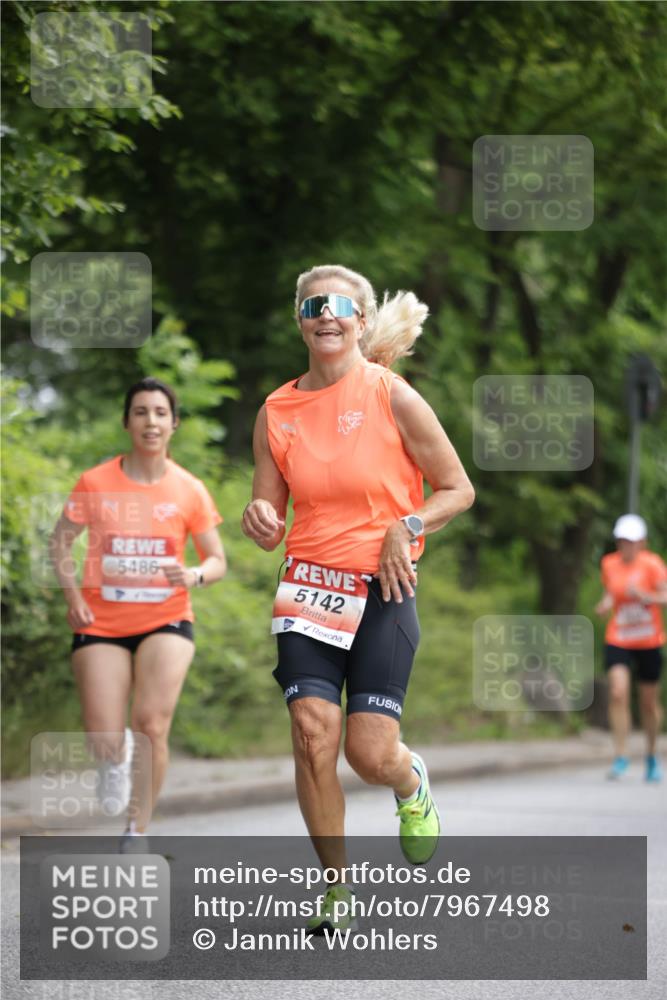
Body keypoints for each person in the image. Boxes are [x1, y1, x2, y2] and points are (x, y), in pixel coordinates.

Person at [242, 265, 475, 931]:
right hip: (308, 591)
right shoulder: (275, 412)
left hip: (382, 591)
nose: (327, 314)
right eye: (314, 304)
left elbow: (456, 488)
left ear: (361, 322)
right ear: (300, 319)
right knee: (313, 734)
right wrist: (257, 517)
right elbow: (267, 512)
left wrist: (406, 527)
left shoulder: (392, 396)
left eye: (342, 306)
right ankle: (336, 890)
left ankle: (409, 782)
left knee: (367, 754)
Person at [50, 377, 226, 848]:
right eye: (141, 412)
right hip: (101, 622)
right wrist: (73, 598)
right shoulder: (96, 481)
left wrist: (194, 575)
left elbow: (217, 561)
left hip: (167, 618)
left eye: (160, 412)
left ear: (174, 424)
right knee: (105, 736)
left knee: (151, 722)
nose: (151, 421)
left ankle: (137, 830)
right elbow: (60, 543)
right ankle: (113, 758)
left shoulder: (189, 489)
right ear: (128, 422)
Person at [595, 513, 667, 782]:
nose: (627, 546)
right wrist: (605, 603)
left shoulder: (653, 565)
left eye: (632, 541)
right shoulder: (609, 564)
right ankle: (621, 755)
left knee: (648, 703)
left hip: (648, 639)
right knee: (617, 691)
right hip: (619, 637)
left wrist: (646, 596)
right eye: (622, 541)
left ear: (642, 543)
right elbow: (611, 592)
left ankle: (650, 754)